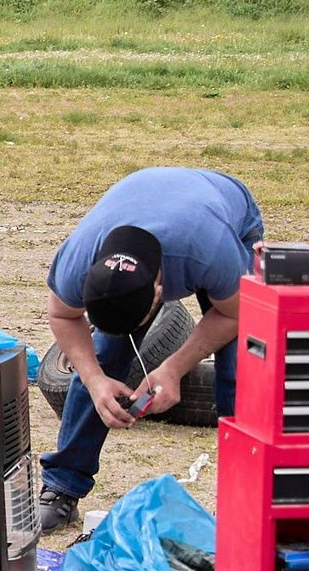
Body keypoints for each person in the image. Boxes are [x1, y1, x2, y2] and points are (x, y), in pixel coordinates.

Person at [37, 166, 265, 534]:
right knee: (103, 358)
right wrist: (96, 381)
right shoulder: (78, 258)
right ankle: (62, 487)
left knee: (241, 361)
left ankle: (247, 498)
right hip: (148, 203)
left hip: (225, 212)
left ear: (160, 296)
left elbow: (233, 314)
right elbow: (62, 315)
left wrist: (174, 367)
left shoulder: (208, 252)